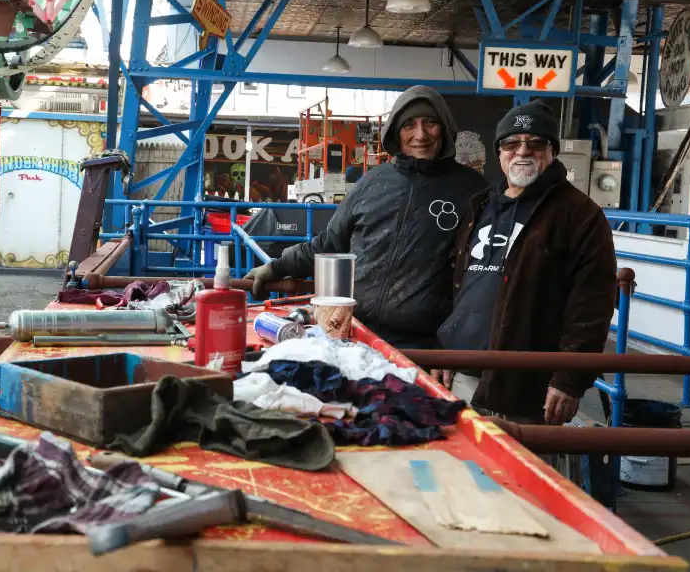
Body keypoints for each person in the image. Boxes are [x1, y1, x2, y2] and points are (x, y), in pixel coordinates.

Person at [244, 86, 489, 348]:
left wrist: (451, 344)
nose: (420, 134)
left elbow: (481, 276)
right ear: (396, 131)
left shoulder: (472, 190)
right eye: (409, 125)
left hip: (423, 346)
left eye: (430, 122)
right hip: (355, 333)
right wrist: (276, 267)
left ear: (444, 127)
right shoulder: (372, 182)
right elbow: (329, 243)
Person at [433, 101, 617, 426]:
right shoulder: (480, 206)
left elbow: (591, 305)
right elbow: (455, 285)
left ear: (552, 151)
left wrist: (569, 380)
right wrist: (445, 348)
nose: (522, 151)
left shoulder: (579, 215)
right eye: (511, 143)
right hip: (459, 375)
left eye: (535, 143)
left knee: (519, 475)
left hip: (526, 387)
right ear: (499, 153)